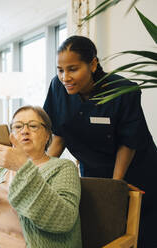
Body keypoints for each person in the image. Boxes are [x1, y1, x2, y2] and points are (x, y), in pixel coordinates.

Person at [43, 35, 157, 247]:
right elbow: (59, 136)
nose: (65, 77)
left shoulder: (123, 90)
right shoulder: (57, 88)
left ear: (93, 64)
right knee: (99, 232)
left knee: (140, 234)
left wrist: (116, 187)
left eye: (73, 69)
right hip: (93, 170)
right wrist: (41, 172)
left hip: (135, 170)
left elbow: (128, 143)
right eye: (60, 70)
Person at [0, 106, 82, 248]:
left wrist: (22, 167)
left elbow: (63, 220)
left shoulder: (63, 167)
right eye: (17, 126)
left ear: (47, 135)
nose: (24, 131)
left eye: (33, 126)